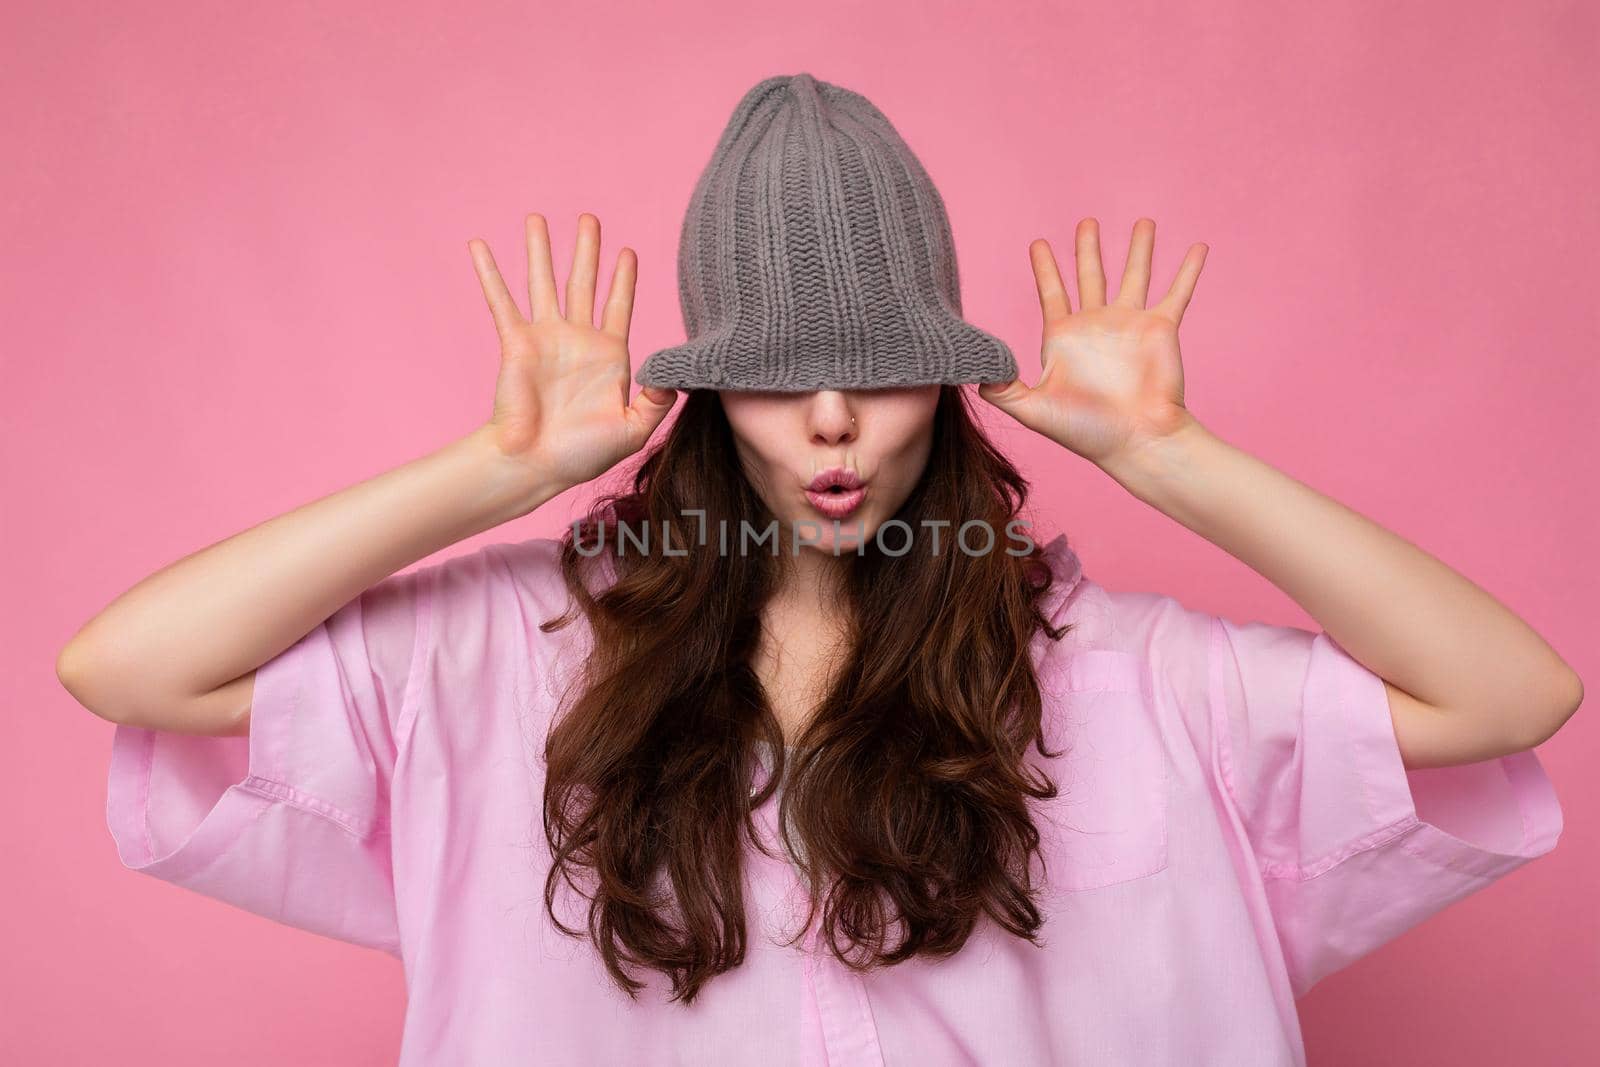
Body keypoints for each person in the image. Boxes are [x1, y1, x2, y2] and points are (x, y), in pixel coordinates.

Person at [57, 73, 1577, 1067]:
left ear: (949, 383)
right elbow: (129, 668)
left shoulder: (1114, 672)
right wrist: (498, 473)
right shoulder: (502, 652)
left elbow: (1513, 696)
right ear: (709, 391)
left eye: (883, 368)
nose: (836, 420)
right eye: (781, 374)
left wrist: (1170, 455)